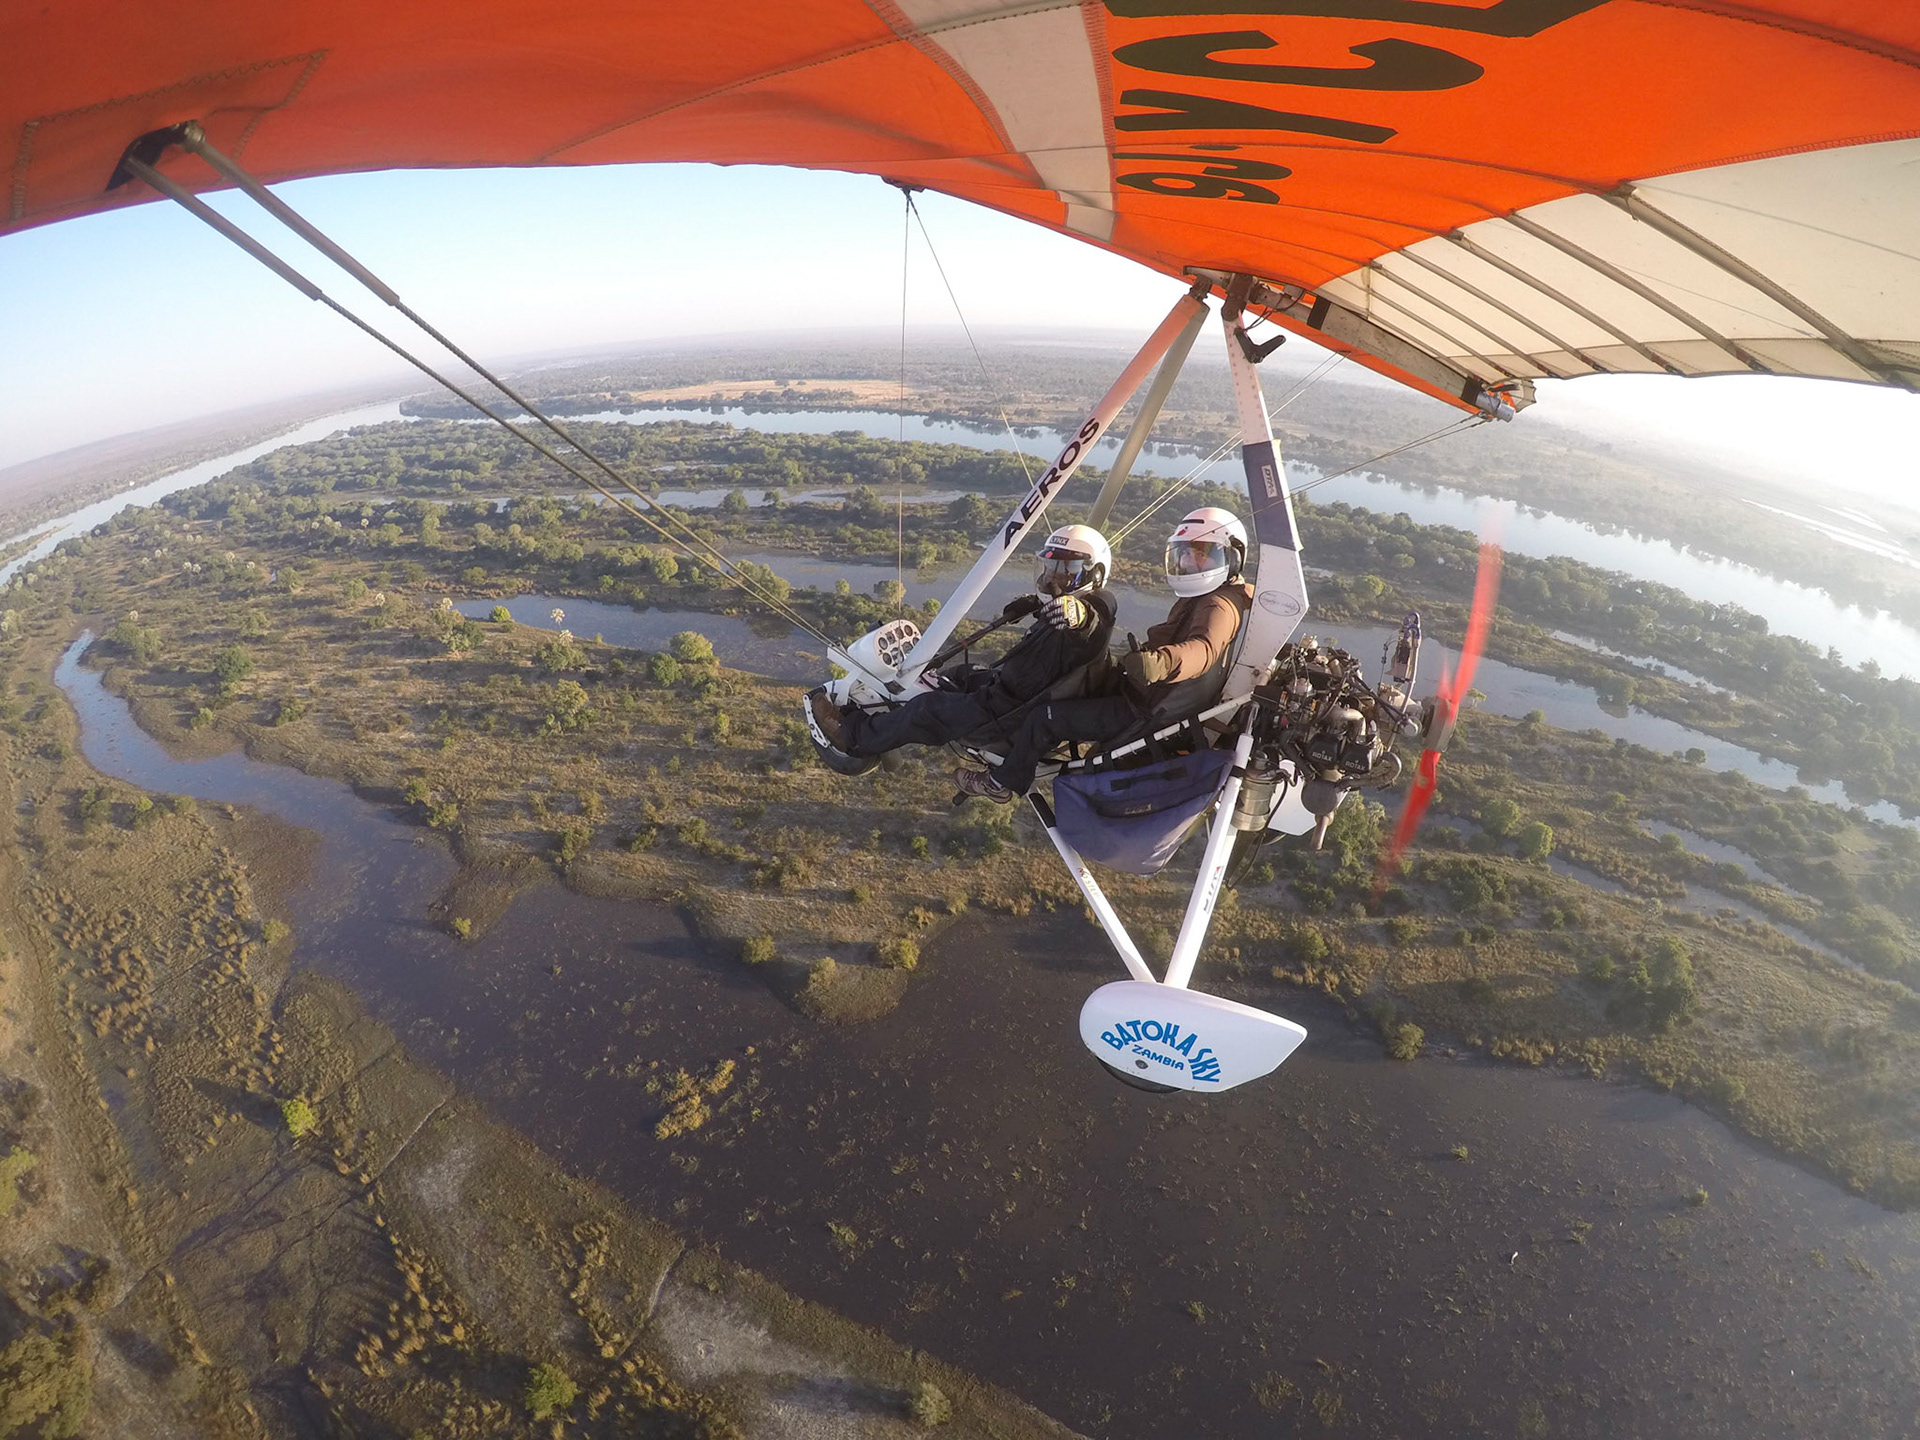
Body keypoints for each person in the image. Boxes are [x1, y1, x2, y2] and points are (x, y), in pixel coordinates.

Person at [955, 506, 1253, 803]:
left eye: (1201, 553)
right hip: (1139, 692)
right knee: (1071, 679)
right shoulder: (1209, 597)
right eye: (1185, 553)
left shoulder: (1219, 606)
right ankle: (1008, 734)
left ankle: (1002, 782)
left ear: (1232, 557)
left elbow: (1203, 650)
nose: (1189, 561)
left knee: (1044, 717)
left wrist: (1159, 663)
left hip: (1139, 708)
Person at [808, 524, 1116, 761]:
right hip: (1008, 692)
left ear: (1095, 574)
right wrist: (1036, 603)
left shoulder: (1091, 611)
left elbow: (1094, 620)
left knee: (925, 709)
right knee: (955, 676)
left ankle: (852, 737)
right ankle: (884, 714)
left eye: (1065, 571)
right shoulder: (1057, 611)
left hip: (1007, 717)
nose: (1053, 579)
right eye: (1050, 569)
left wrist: (1079, 615)